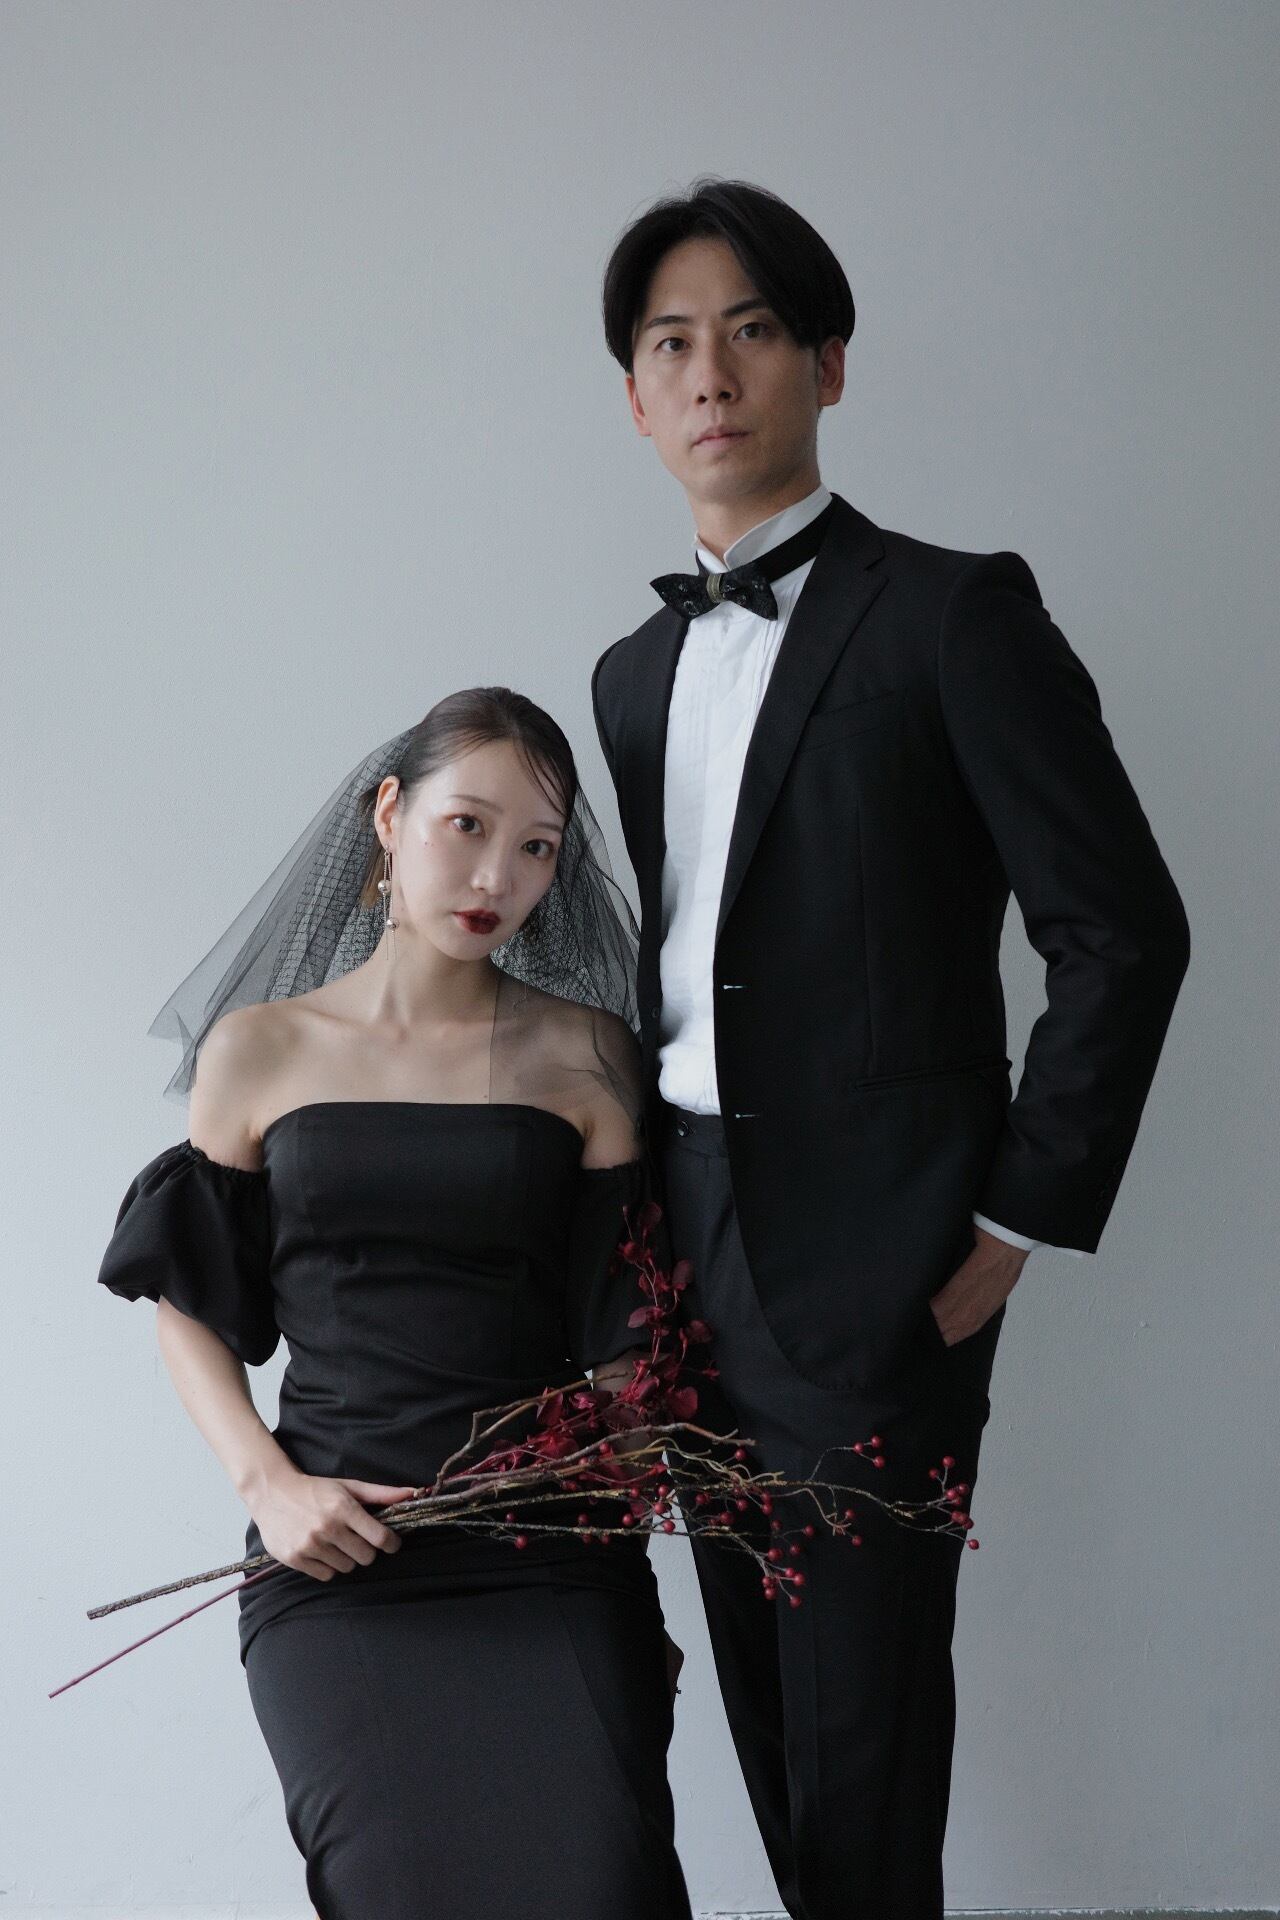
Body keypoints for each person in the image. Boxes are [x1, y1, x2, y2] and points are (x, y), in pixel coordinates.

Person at [591, 178, 1191, 1918]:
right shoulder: (630, 674)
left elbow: (1122, 930)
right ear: (636, 399)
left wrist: (1014, 1224)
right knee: (766, 1720)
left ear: (829, 364)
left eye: (753, 332)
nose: (712, 376)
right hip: (684, 1244)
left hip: (887, 1252)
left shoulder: (951, 614)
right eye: (671, 346)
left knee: (866, 1733)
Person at [96, 687, 693, 1920]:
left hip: (548, 1550)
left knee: (604, 1884)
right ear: (388, 813)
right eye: (466, 825)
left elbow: (624, 1323)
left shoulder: (586, 1056)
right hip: (338, 1556)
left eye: (536, 847)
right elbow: (189, 1303)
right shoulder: (257, 1049)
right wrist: (271, 1489)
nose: (496, 877)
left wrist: (627, 1458)